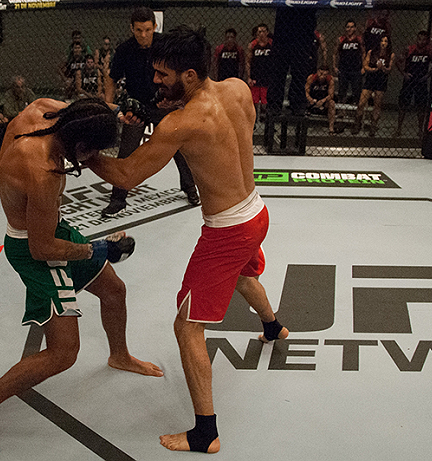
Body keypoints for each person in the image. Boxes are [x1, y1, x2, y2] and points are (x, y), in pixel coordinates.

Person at [85, 26, 289, 455]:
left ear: (191, 75)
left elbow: (126, 175)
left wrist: (82, 150)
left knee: (187, 325)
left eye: (163, 75)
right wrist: (157, 118)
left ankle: (205, 432)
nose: (156, 81)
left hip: (228, 230)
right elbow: (207, 134)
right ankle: (274, 326)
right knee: (242, 274)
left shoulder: (181, 123)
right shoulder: (236, 89)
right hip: (256, 211)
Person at [0, 98, 163, 456]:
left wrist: (115, 112)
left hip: (53, 229)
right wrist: (98, 249)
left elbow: (83, 108)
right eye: (92, 153)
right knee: (64, 352)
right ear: (80, 147)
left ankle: (120, 355)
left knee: (114, 290)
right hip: (34, 248)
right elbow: (42, 249)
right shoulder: (44, 172)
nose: (91, 160)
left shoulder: (42, 111)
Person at [101, 7, 199, 218]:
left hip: (164, 102)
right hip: (137, 106)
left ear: (155, 26)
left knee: (179, 147)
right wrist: (107, 105)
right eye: (138, 30)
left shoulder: (165, 45)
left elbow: (182, 73)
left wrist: (175, 99)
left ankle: (190, 188)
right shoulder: (125, 49)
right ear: (132, 28)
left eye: (147, 29)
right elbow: (112, 78)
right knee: (126, 152)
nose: (143, 35)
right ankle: (118, 199)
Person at [267, 0, 324, 115]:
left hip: (303, 36)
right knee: (277, 73)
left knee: (299, 73)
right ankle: (274, 106)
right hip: (282, 34)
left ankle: (297, 105)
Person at [394, 31, 432, 138]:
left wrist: (427, 75)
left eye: (424, 39)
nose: (421, 42)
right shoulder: (410, 49)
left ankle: (420, 130)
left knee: (421, 107)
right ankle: (398, 129)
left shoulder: (428, 51)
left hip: (421, 82)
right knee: (403, 105)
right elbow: (398, 61)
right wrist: (404, 73)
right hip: (409, 81)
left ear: (427, 40)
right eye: (419, 39)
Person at [353, 35, 394, 136]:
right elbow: (365, 66)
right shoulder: (371, 52)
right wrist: (375, 69)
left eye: (386, 41)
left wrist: (383, 68)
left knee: (377, 104)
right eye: (382, 41)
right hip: (370, 78)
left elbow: (389, 69)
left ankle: (373, 125)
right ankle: (357, 123)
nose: (383, 43)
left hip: (381, 79)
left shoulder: (390, 54)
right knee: (361, 103)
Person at [333, 19, 365, 108]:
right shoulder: (341, 39)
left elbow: (363, 53)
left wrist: (363, 67)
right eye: (348, 27)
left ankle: (356, 115)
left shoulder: (359, 39)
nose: (349, 29)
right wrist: (334, 66)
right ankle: (341, 112)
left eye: (351, 27)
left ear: (355, 28)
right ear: (345, 28)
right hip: (343, 69)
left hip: (356, 69)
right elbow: (334, 53)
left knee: (357, 92)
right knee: (342, 91)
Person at [245, 24, 273, 123]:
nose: (261, 33)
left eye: (264, 31)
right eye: (259, 31)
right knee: (254, 101)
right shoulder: (252, 45)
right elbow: (248, 61)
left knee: (266, 101)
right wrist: (249, 77)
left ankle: (266, 119)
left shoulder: (271, 44)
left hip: (268, 76)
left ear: (267, 32)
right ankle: (254, 121)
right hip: (256, 75)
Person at [305, 65, 336, 134]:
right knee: (305, 100)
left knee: (332, 103)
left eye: (325, 75)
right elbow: (306, 92)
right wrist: (311, 99)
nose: (322, 76)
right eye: (321, 74)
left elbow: (331, 95)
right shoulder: (311, 78)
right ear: (318, 72)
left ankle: (331, 128)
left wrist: (323, 100)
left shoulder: (330, 79)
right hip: (312, 99)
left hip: (323, 100)